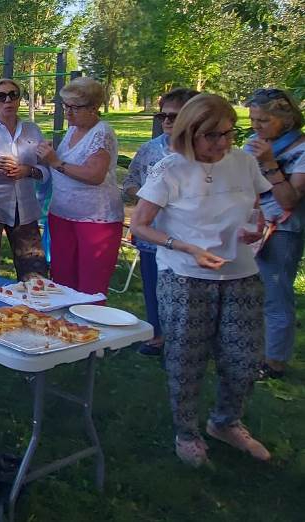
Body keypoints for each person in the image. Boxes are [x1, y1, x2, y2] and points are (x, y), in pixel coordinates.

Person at [131, 94, 275, 467]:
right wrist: (186, 247)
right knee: (186, 359)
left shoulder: (244, 162)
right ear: (189, 133)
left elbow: (257, 206)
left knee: (244, 359)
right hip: (185, 276)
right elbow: (140, 225)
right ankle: (187, 432)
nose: (222, 143)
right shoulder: (170, 169)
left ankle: (226, 422)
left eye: (229, 133)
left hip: (240, 273)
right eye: (212, 135)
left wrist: (257, 226)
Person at [123, 87, 199, 356]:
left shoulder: (204, 153)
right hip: (151, 233)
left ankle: (184, 343)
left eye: (174, 116)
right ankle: (156, 335)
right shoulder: (149, 149)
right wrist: (149, 198)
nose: (166, 121)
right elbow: (130, 182)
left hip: (188, 238)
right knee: (152, 286)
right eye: (162, 115)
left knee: (187, 295)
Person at [37, 77, 122, 298]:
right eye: (65, 106)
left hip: (94, 220)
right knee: (62, 282)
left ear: (94, 107)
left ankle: (89, 321)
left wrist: (56, 162)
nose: (68, 113)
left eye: (75, 107)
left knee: (90, 287)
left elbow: (95, 175)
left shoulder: (101, 133)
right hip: (63, 215)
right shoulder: (74, 129)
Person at [244, 88, 305, 380]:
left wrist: (269, 164)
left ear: (287, 119)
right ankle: (255, 349)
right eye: (253, 119)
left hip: (282, 230)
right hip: (252, 227)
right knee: (251, 291)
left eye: (264, 120)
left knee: (275, 294)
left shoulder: (301, 150)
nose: (256, 126)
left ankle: (274, 361)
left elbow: (289, 200)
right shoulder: (254, 143)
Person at [0, 78, 49, 279]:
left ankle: (34, 299)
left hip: (25, 209)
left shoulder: (33, 131)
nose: (8, 100)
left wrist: (28, 171)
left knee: (35, 272)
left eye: (13, 95)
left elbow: (46, 170)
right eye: (1, 96)